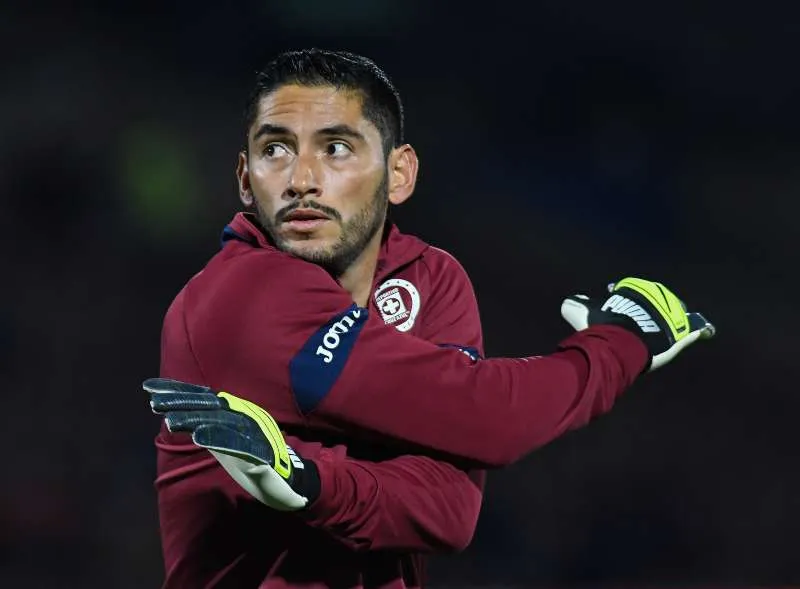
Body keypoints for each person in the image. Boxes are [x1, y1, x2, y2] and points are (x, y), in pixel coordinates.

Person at [147, 48, 714, 588]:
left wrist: (313, 483)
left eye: (337, 148)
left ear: (400, 174)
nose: (301, 179)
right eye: (275, 150)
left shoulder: (431, 280)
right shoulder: (237, 297)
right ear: (245, 180)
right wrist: (622, 343)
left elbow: (450, 509)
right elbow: (492, 419)